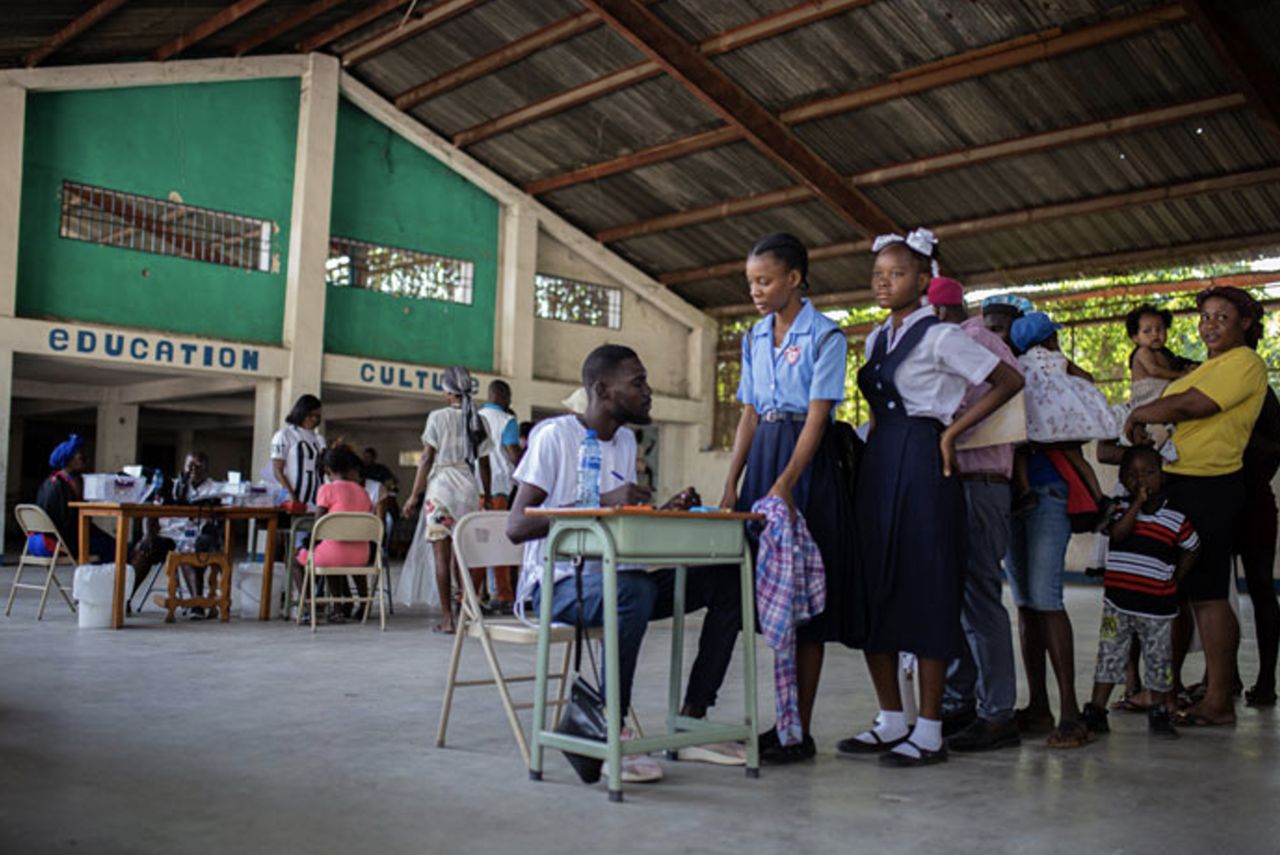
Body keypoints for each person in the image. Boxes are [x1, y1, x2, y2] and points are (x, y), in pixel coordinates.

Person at [507, 344, 745, 783]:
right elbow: (517, 525)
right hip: (557, 587)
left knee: (724, 581)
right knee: (632, 591)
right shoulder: (554, 436)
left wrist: (663, 513)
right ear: (601, 389)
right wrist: (601, 502)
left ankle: (691, 720)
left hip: (618, 580)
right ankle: (610, 725)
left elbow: (616, 525)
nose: (648, 391)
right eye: (637, 382)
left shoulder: (624, 440)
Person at [843, 228, 1023, 767]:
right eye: (877, 274)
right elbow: (877, 410)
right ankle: (890, 719)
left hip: (925, 458)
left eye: (895, 274)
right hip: (880, 463)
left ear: (924, 281)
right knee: (876, 584)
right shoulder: (877, 338)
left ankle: (929, 729)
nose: (883, 283)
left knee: (927, 585)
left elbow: (1007, 380)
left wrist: (950, 433)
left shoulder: (943, 337)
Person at [717, 232, 852, 764]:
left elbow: (819, 415)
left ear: (795, 278)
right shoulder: (753, 337)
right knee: (765, 593)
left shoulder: (825, 336)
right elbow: (749, 413)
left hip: (806, 464)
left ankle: (798, 730)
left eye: (765, 280)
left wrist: (787, 482)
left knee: (803, 603)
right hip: (764, 460)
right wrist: (733, 482)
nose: (755, 290)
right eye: (751, 281)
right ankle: (779, 721)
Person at [1125, 286, 1269, 726]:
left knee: (1207, 594)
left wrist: (1139, 415)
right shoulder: (1205, 367)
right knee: (1177, 593)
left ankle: (1219, 701)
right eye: (1204, 317)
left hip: (1210, 484)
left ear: (1244, 323)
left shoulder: (1245, 363)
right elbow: (1174, 403)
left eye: (1220, 318)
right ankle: (1164, 690)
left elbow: (1192, 405)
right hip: (1180, 483)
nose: (1208, 325)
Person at [927, 277, 1024, 752]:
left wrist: (947, 430)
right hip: (958, 481)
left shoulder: (975, 341)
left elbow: (996, 392)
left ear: (941, 311)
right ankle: (960, 700)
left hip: (980, 481)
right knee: (957, 598)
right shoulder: (953, 340)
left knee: (980, 597)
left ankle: (997, 713)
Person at [1081, 446, 1199, 740]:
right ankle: (1096, 710)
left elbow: (1192, 547)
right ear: (1122, 479)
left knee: (1159, 661)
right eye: (1132, 475)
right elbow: (1119, 534)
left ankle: (1159, 711)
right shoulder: (1119, 510)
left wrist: (1174, 579)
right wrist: (1136, 505)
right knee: (1109, 656)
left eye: (1149, 473)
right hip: (1116, 605)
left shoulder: (1174, 518)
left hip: (1157, 607)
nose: (1141, 480)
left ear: (1161, 477)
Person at [403, 366, 492, 634]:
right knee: (464, 556)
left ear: (446, 392)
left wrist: (414, 495)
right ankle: (467, 613)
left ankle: (447, 619)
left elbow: (427, 458)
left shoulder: (437, 417)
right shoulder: (479, 420)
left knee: (442, 557)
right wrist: (484, 495)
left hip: (441, 490)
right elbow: (484, 464)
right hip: (468, 489)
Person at [1011, 311, 1113, 511]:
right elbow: (1087, 379)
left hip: (1034, 423)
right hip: (1064, 423)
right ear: (1050, 340)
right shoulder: (1058, 359)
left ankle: (1024, 492)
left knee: (1020, 450)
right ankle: (1100, 497)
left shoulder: (1019, 363)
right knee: (1076, 457)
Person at [130, 451, 224, 618]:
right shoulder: (173, 485)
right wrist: (148, 535)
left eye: (198, 465)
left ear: (207, 468)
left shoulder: (216, 489)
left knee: (187, 551)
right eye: (190, 465)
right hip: (169, 535)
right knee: (143, 549)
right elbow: (151, 508)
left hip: (195, 537)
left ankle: (197, 604)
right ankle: (125, 598)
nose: (193, 469)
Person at [296, 446, 374, 624]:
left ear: (328, 470)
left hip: (333, 554)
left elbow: (318, 526)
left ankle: (310, 610)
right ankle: (348, 608)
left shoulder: (326, 489)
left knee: (296, 561)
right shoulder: (363, 492)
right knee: (332, 551)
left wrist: (308, 543)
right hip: (361, 555)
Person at [1238, 386, 1280, 707]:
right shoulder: (1205, 374)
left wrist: (1243, 442)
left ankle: (1267, 679)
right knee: (1211, 594)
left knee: (1262, 587)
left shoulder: (1260, 390)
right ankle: (1220, 678)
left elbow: (1275, 446)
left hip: (1253, 499)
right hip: (1218, 497)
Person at [1121, 305, 1195, 459]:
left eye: (1160, 329)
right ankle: (1156, 454)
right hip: (1148, 400)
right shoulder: (1142, 352)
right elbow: (1154, 371)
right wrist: (1180, 375)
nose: (1155, 334)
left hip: (1161, 399)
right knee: (1156, 431)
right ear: (1135, 337)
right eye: (1147, 331)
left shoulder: (1165, 355)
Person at [30, 434, 117, 563]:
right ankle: (101, 582)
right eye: (79, 457)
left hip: (34, 542)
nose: (83, 459)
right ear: (67, 461)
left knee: (106, 541)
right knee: (113, 547)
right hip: (54, 543)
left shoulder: (51, 481)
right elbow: (69, 525)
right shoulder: (60, 487)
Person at [477, 379, 522, 612]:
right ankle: (503, 595)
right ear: (504, 397)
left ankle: (472, 595)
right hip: (497, 490)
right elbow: (514, 455)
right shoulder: (507, 421)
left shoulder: (474, 417)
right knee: (499, 544)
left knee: (476, 543)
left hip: (474, 490)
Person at [272, 395, 325, 508]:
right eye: (310, 415)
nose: (314, 419)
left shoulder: (318, 439)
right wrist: (291, 496)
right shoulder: (285, 435)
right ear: (301, 412)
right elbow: (278, 470)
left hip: (314, 500)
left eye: (317, 416)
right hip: (291, 499)